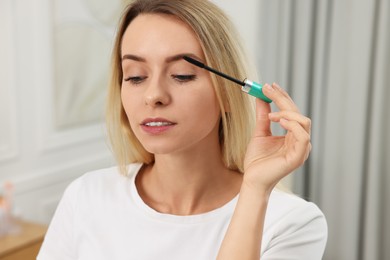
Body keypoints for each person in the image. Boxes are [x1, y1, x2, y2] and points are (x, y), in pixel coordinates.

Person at [37, 0, 327, 259]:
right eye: (136, 77)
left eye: (182, 75)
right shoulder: (85, 197)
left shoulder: (291, 223)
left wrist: (254, 190)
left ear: (228, 93)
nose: (153, 96)